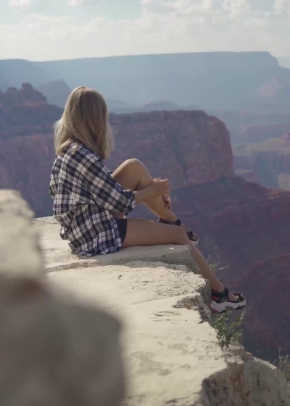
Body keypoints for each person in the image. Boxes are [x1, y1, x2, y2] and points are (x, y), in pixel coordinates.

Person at [48, 86, 246, 313]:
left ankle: (171, 222)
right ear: (95, 119)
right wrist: (153, 190)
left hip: (86, 225)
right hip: (96, 235)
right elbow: (120, 203)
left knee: (133, 167)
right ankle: (220, 295)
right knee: (179, 237)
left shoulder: (70, 151)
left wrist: (151, 187)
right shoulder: (83, 156)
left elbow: (100, 187)